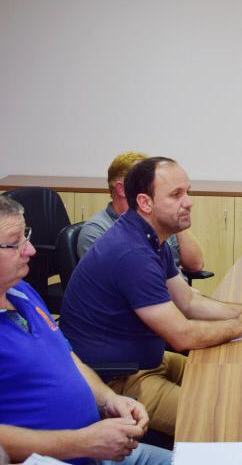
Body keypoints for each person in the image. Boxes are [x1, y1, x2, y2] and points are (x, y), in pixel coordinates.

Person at [59, 157, 242, 436]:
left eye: (187, 192)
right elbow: (182, 336)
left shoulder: (152, 238)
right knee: (228, 422)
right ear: (145, 203)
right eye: (176, 195)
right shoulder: (131, 254)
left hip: (148, 361)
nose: (188, 202)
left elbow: (188, 301)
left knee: (238, 380)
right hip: (118, 379)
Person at [0, 196, 171, 465]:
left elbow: (67, 357)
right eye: (15, 242)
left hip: (97, 450)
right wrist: (83, 442)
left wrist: (109, 399)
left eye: (27, 236)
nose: (30, 250)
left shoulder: (20, 290)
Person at [77, 151, 205, 275]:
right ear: (122, 189)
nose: (188, 202)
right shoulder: (97, 231)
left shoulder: (157, 223)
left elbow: (195, 265)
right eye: (144, 180)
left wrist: (177, 216)